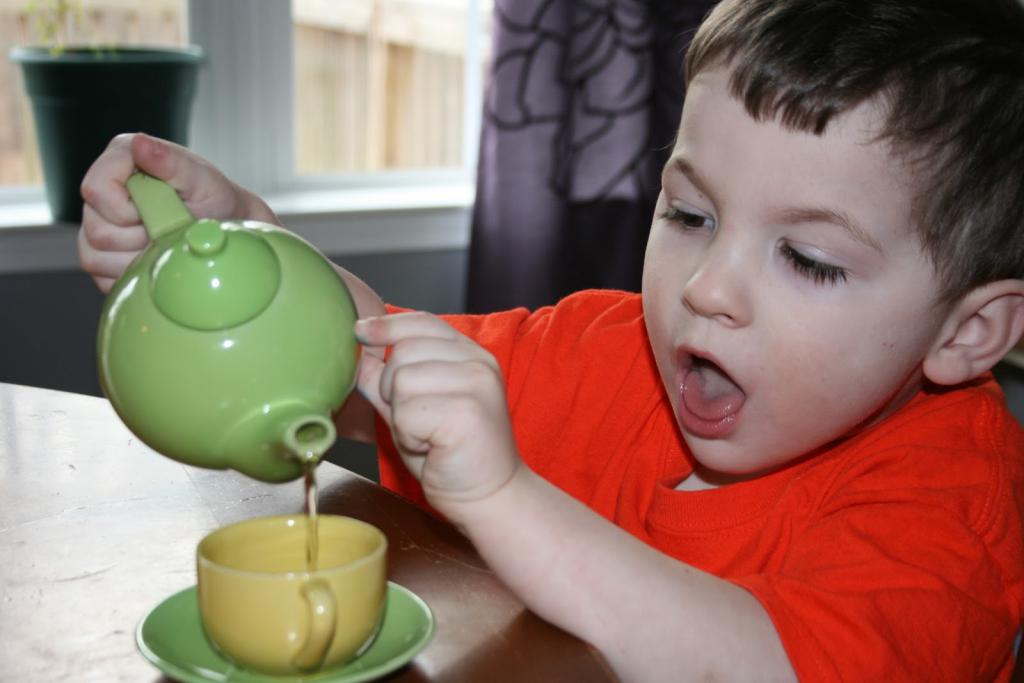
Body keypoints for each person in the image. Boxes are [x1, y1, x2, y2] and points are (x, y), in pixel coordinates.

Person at [78, 0, 1024, 679]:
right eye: (690, 213)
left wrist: (501, 496)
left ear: (969, 328)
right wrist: (253, 253)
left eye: (809, 259)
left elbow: (756, 662)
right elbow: (372, 363)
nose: (708, 288)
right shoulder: (608, 351)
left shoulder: (956, 497)